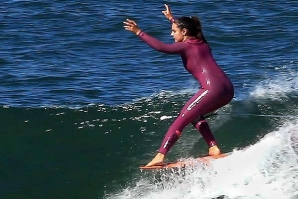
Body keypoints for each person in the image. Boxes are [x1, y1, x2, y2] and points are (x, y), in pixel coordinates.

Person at [123, 4, 234, 167]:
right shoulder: (201, 41)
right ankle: (213, 148)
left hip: (212, 89)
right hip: (228, 89)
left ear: (184, 32)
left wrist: (139, 32)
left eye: (174, 31)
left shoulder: (185, 46)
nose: (171, 33)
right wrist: (171, 19)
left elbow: (163, 47)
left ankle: (160, 155)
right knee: (195, 115)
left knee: (183, 116)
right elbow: (185, 29)